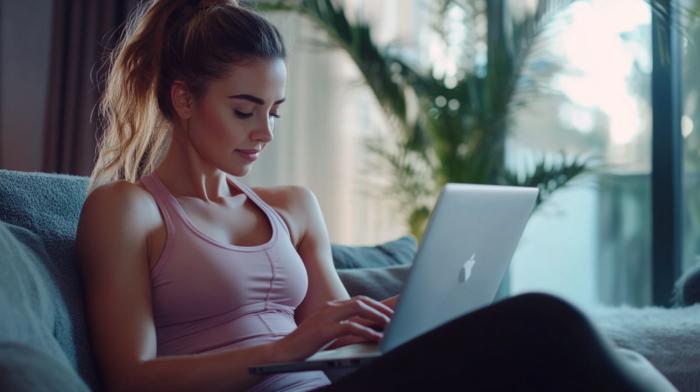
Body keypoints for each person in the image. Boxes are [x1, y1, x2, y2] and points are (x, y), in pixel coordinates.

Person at [76, 1, 677, 391]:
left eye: (276, 112)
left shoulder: (292, 206)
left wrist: (402, 319)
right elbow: (131, 377)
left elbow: (337, 336)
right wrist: (286, 348)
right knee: (545, 323)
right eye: (244, 110)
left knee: (598, 358)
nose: (265, 133)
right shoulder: (127, 210)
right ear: (184, 100)